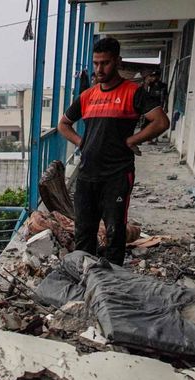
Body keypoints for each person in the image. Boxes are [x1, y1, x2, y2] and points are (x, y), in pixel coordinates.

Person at [57, 37, 168, 265]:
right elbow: (63, 124)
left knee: (114, 231)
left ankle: (113, 281)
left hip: (117, 174)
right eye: (96, 63)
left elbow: (160, 122)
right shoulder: (87, 96)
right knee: (84, 232)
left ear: (117, 61)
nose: (100, 69)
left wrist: (132, 140)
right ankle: (84, 278)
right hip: (87, 174)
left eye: (105, 63)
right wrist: (82, 142)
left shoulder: (133, 92)